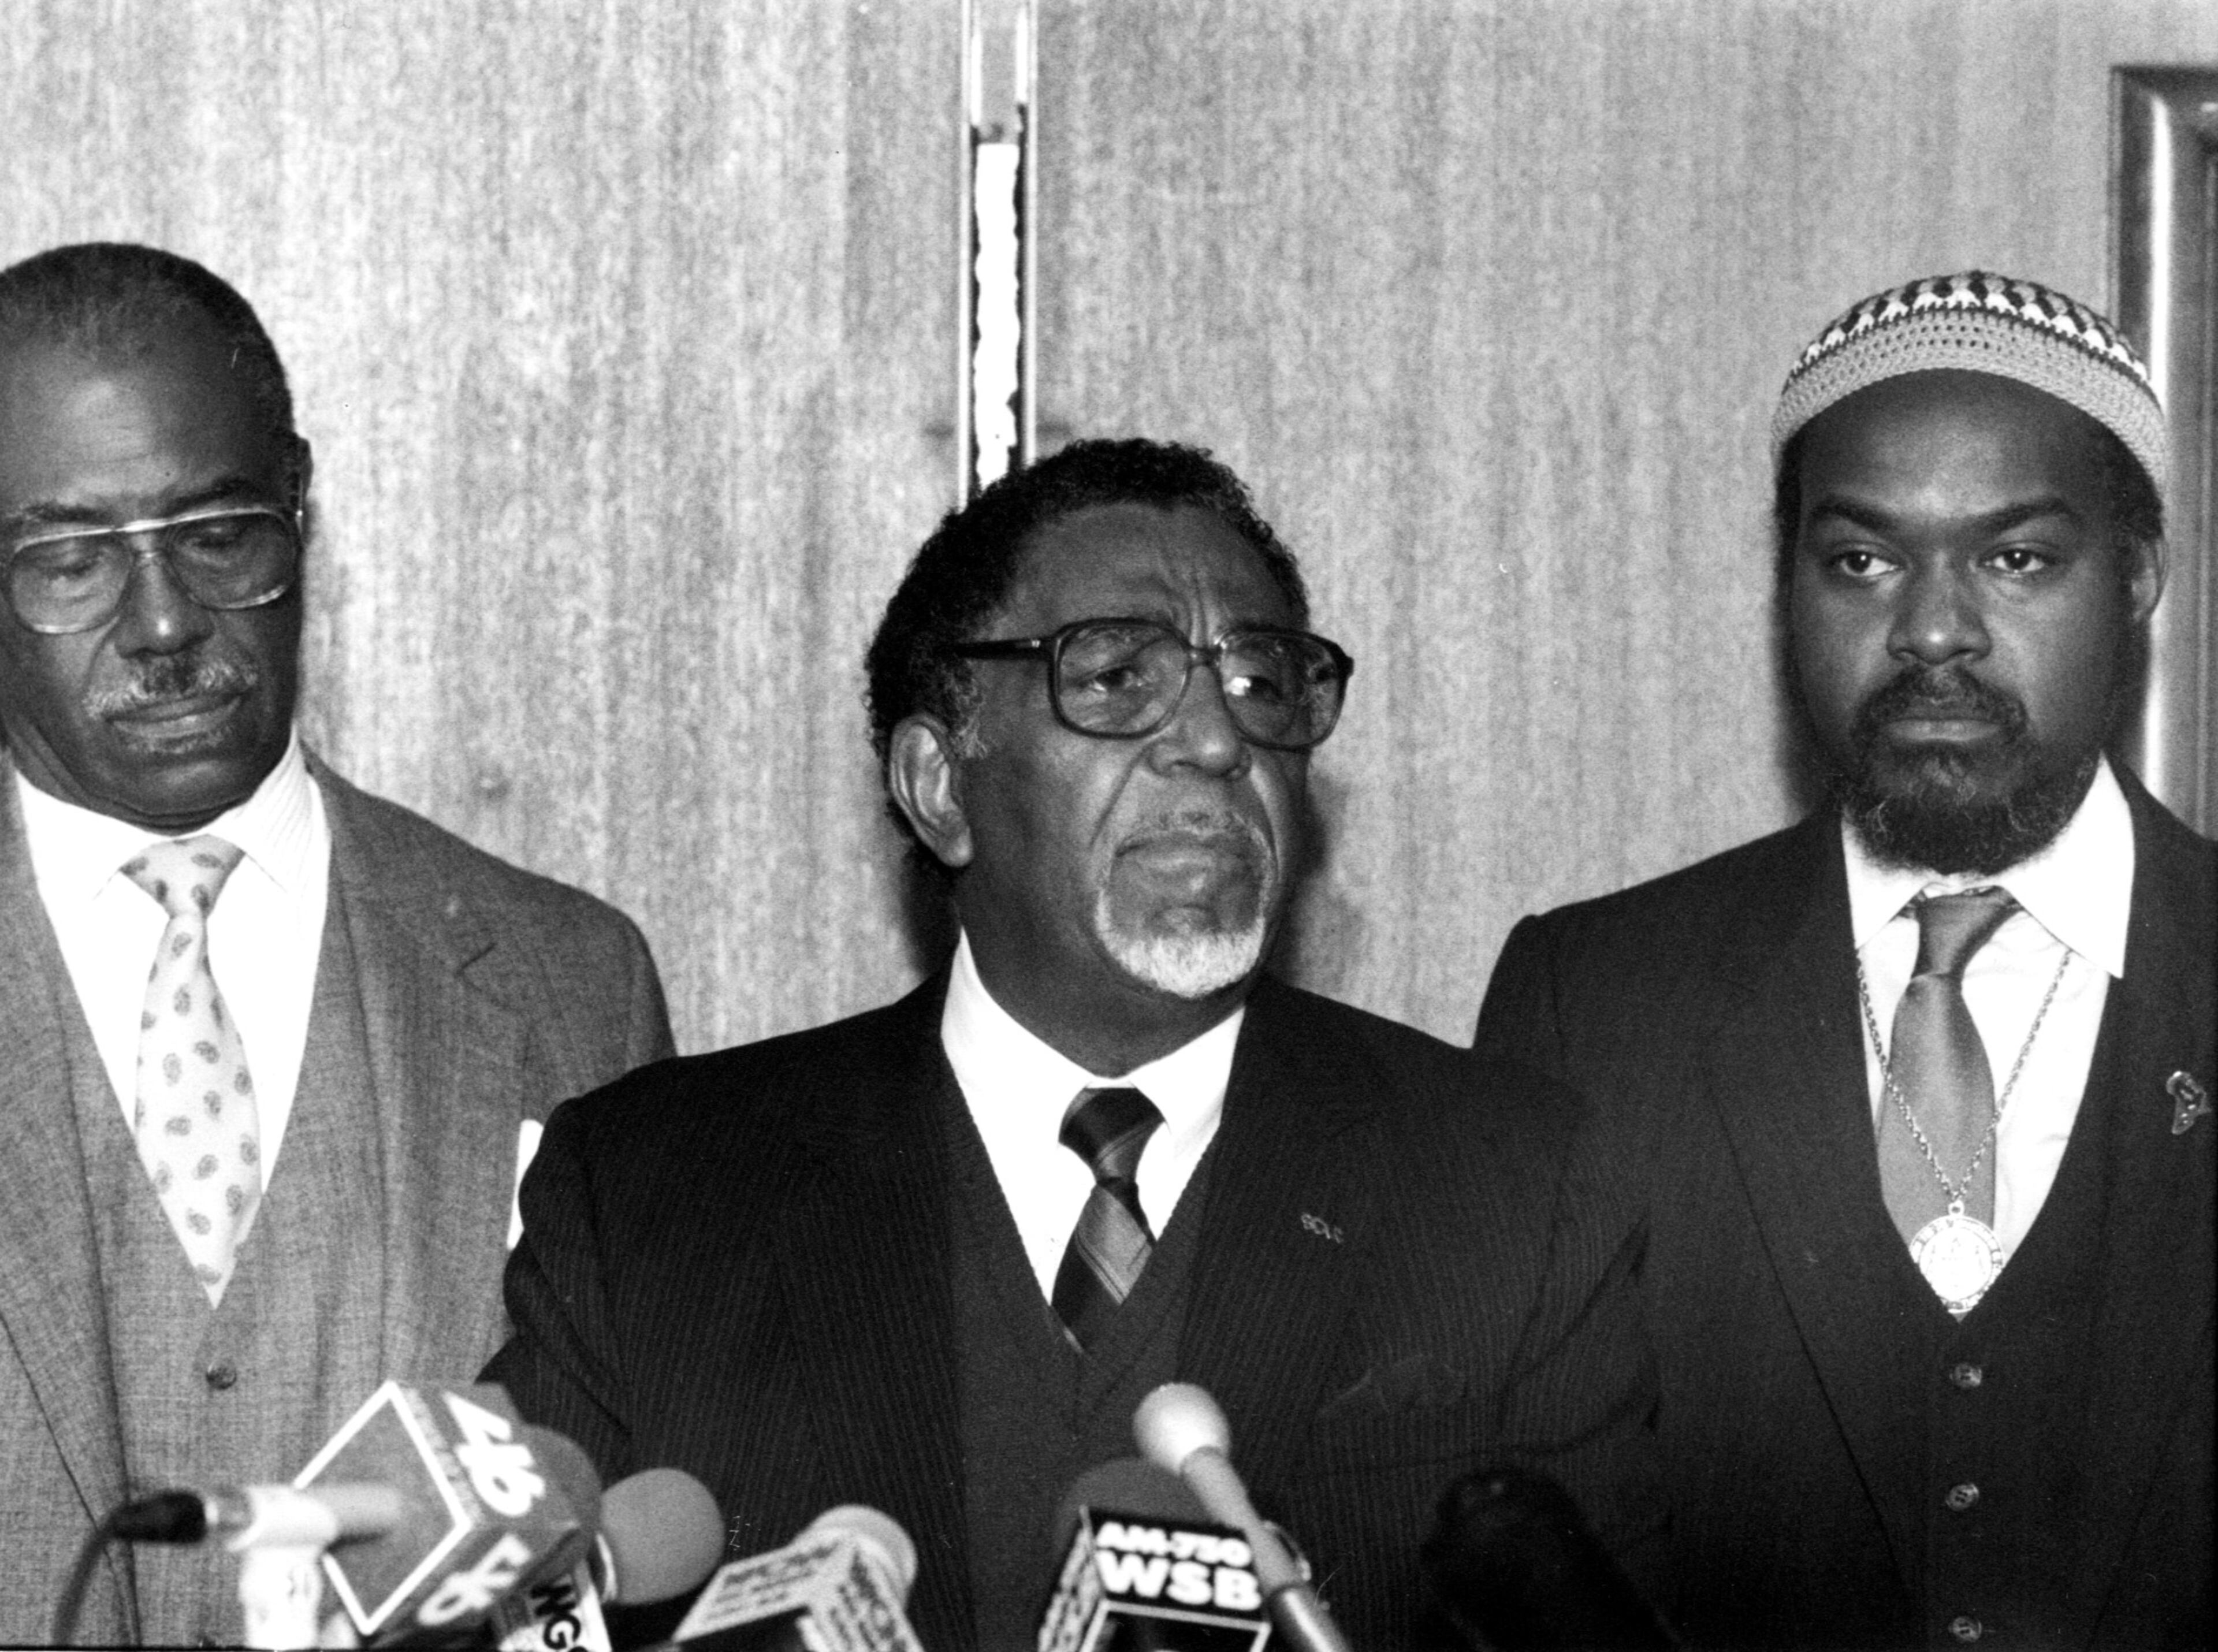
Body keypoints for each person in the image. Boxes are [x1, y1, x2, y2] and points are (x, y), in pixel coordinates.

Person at [489, 437, 1658, 1649]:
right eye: (1113, 676)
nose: (1217, 740)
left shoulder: (1513, 1185)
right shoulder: (649, 1193)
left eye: (1262, 682)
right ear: (941, 782)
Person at [1476, 271, 2215, 1650]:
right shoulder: (1593, 1002)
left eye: (2017, 558)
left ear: (2141, 577)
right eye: (1864, 561)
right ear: (1788, 584)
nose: (1934, 628)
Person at [0, 242, 675, 1647]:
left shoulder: (572, 987)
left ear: (300, 510)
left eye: (220, 532)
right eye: (69, 561)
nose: (170, 622)